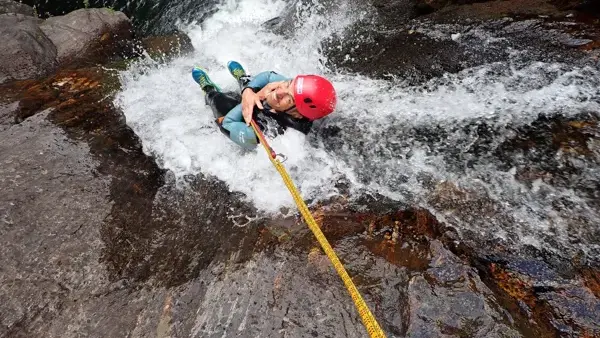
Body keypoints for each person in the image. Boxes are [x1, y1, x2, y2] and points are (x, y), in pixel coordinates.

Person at [192, 61, 337, 150]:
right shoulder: (294, 93)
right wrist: (249, 91)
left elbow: (227, 124)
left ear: (297, 114)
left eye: (289, 99)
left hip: (240, 124)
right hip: (268, 108)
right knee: (252, 85)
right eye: (287, 85)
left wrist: (253, 101)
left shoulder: (268, 134)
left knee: (219, 100)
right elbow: (268, 76)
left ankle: (208, 89)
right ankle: (243, 79)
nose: (280, 91)